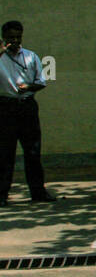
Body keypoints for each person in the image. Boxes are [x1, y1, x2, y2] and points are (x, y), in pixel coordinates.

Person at [0, 20, 56, 205]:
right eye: (11, 38)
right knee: (5, 153)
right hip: (5, 107)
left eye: (18, 37)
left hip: (27, 106)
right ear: (4, 39)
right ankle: (1, 194)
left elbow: (41, 81)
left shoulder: (31, 57)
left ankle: (38, 192)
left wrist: (29, 87)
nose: (15, 41)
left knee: (33, 151)